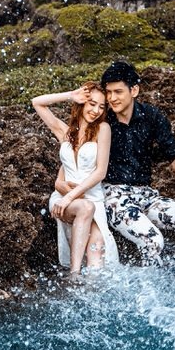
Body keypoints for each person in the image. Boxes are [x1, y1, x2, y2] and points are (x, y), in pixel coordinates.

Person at [84, 61, 175, 264]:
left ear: (134, 90)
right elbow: (73, 139)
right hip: (113, 198)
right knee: (153, 241)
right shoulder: (102, 119)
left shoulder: (151, 116)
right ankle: (149, 283)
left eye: (118, 92)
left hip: (147, 197)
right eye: (108, 92)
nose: (112, 98)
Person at [32, 82, 119, 275]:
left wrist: (70, 196)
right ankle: (74, 274)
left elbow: (100, 172)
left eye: (101, 107)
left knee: (97, 258)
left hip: (90, 199)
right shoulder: (65, 132)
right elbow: (37, 102)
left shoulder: (103, 129)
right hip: (64, 200)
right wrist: (70, 95)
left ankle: (88, 288)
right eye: (92, 104)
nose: (96, 111)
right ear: (82, 103)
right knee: (85, 208)